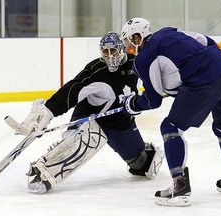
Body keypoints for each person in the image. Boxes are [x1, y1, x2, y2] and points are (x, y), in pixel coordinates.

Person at [120, 17, 221, 207]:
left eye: (129, 42)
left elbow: (152, 100)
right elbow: (207, 42)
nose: (128, 48)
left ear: (138, 37)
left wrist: (132, 105)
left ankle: (180, 186)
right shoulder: (169, 31)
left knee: (170, 127)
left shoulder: (144, 58)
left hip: (204, 83)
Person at [15, 31, 164, 194]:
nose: (109, 55)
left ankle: (146, 153)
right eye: (105, 51)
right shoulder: (96, 71)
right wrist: (48, 111)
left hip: (121, 123)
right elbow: (71, 90)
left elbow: (157, 71)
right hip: (90, 117)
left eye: (112, 50)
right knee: (78, 142)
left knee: (142, 165)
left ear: (121, 49)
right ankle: (45, 172)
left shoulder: (134, 64)